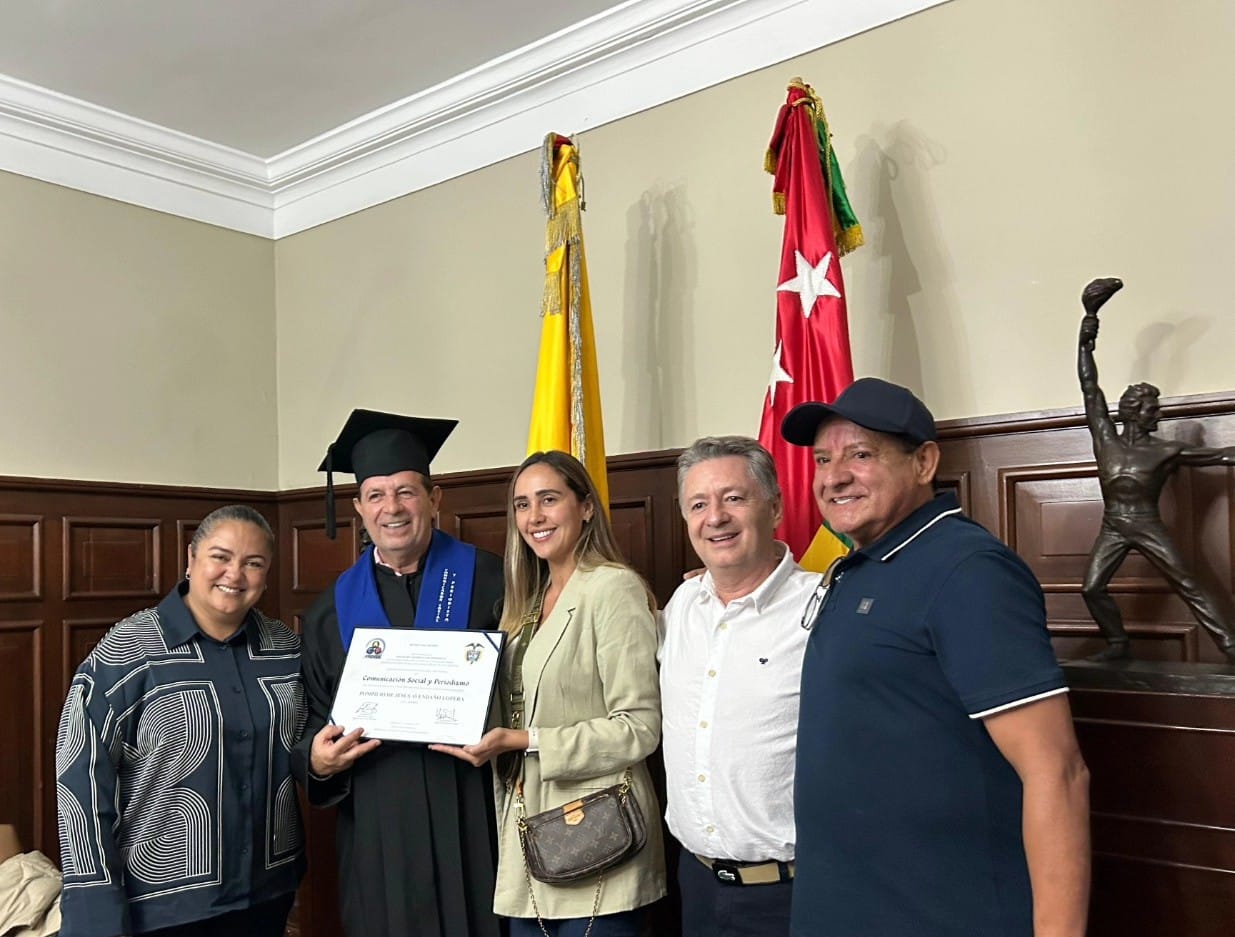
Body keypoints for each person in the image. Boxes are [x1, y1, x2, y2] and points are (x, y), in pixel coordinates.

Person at [780, 378, 1090, 937]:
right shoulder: (861, 564)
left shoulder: (969, 572)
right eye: (823, 459)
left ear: (923, 462)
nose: (833, 476)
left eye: (861, 454)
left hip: (942, 913)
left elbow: (1057, 772)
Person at [432, 450, 665, 937]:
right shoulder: (523, 605)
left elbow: (639, 729)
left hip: (600, 834)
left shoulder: (612, 589)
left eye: (548, 499)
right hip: (528, 835)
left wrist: (523, 741)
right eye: (521, 504)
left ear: (584, 507)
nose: (533, 517)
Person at [291, 409, 505, 937]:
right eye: (378, 494)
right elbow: (310, 721)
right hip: (378, 821)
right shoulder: (330, 611)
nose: (393, 508)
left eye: (407, 491)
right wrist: (317, 761)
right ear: (359, 507)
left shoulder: (495, 580)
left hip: (473, 810)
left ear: (435, 500)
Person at [56, 505, 304, 937]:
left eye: (254, 563)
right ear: (191, 559)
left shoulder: (286, 649)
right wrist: (95, 903)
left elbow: (309, 745)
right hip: (162, 904)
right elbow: (80, 777)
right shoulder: (127, 652)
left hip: (268, 891)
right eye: (220, 556)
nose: (235, 574)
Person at [658, 436, 815, 937]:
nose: (716, 517)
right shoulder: (682, 604)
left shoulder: (821, 608)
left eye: (734, 498)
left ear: (775, 507)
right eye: (698, 504)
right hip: (696, 883)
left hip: (792, 893)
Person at [1078, 277, 1235, 661]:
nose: (1158, 413)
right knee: (1092, 588)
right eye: (1152, 408)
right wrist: (1086, 332)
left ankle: (1230, 647)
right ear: (1134, 411)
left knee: (1188, 584)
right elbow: (1089, 384)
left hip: (1147, 524)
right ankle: (1117, 643)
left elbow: (1222, 455)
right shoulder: (1106, 439)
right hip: (1113, 525)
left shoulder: (1168, 450)